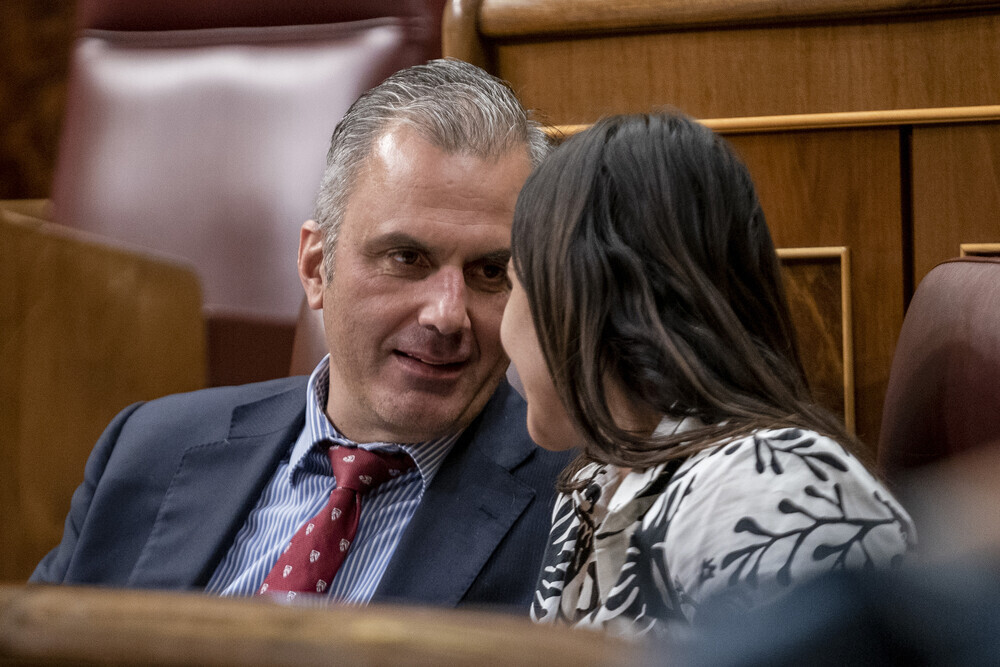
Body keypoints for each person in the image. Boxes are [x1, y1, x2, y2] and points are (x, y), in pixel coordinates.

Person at [32, 59, 571, 610]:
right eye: (407, 258)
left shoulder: (577, 510)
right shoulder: (150, 448)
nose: (446, 315)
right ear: (317, 267)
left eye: (489, 273)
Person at [499, 112, 915, 638]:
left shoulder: (773, 487)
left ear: (586, 296)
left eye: (513, 282)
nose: (501, 326)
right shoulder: (595, 478)